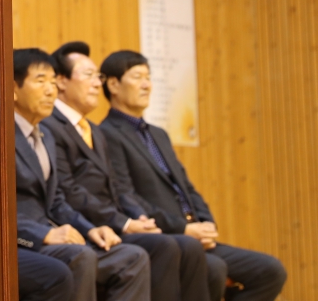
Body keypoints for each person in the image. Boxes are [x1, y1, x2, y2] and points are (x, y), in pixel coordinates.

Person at [97, 51, 286, 301]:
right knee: (215, 270)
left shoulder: (158, 134)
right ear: (113, 85)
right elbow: (127, 197)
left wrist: (207, 224)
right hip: (169, 240)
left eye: (149, 77)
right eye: (137, 77)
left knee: (270, 271)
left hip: (196, 236)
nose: (147, 84)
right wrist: (184, 229)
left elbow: (186, 186)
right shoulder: (107, 134)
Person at [46, 42, 207, 301]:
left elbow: (117, 188)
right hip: (86, 225)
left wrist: (139, 219)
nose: (97, 83)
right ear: (62, 82)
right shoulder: (50, 126)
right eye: (88, 75)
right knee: (165, 246)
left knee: (184, 246)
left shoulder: (93, 130)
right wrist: (125, 223)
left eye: (98, 76)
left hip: (113, 222)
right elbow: (68, 190)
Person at [13, 48, 152, 301]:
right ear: (12, 88)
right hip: (23, 240)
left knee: (132, 257)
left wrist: (90, 229)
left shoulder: (44, 135)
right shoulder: (1, 137)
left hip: (54, 233)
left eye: (53, 82)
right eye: (40, 81)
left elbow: (56, 201)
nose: (50, 90)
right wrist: (42, 234)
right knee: (80, 256)